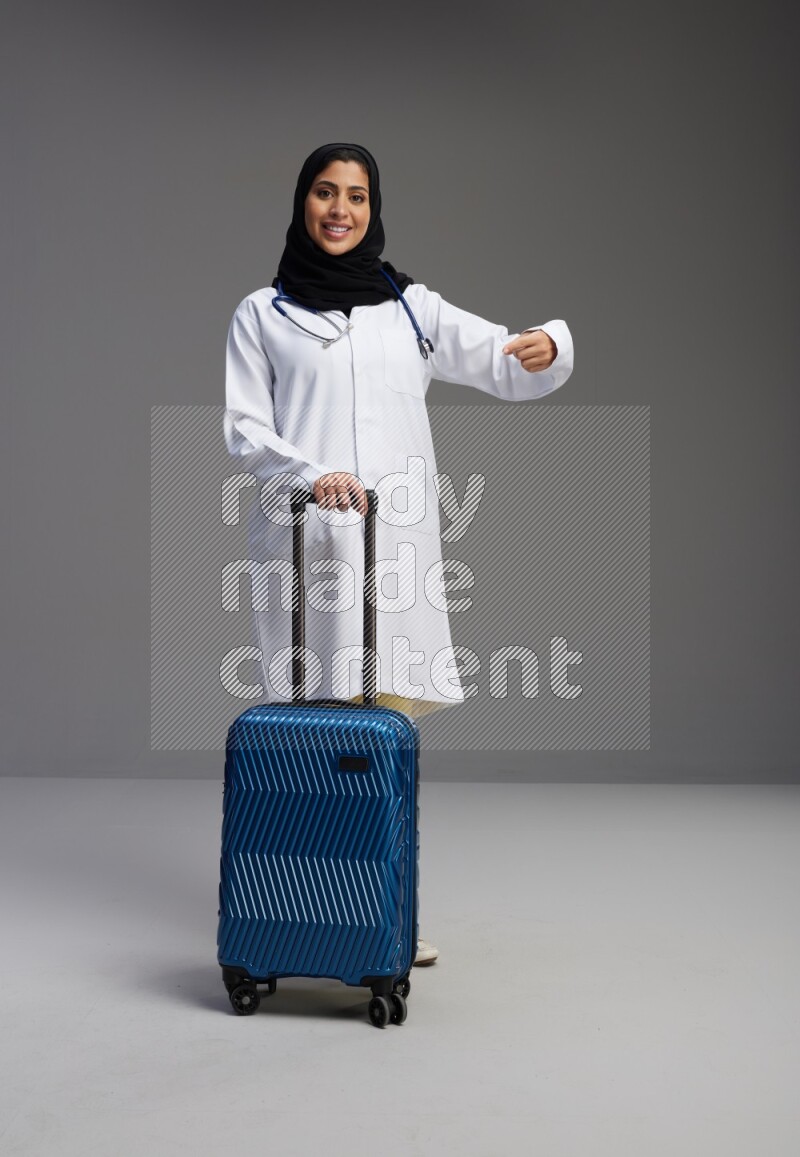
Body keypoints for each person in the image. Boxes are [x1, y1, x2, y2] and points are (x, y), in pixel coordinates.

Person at [223, 142, 574, 966]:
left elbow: (499, 355)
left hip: (393, 553)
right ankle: (303, 914)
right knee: (309, 742)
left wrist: (547, 346)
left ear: (374, 209)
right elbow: (244, 429)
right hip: (308, 549)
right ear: (301, 202)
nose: (340, 209)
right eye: (324, 192)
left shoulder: (409, 308)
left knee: (381, 740)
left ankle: (381, 916)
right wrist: (313, 475)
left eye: (356, 195)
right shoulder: (261, 315)